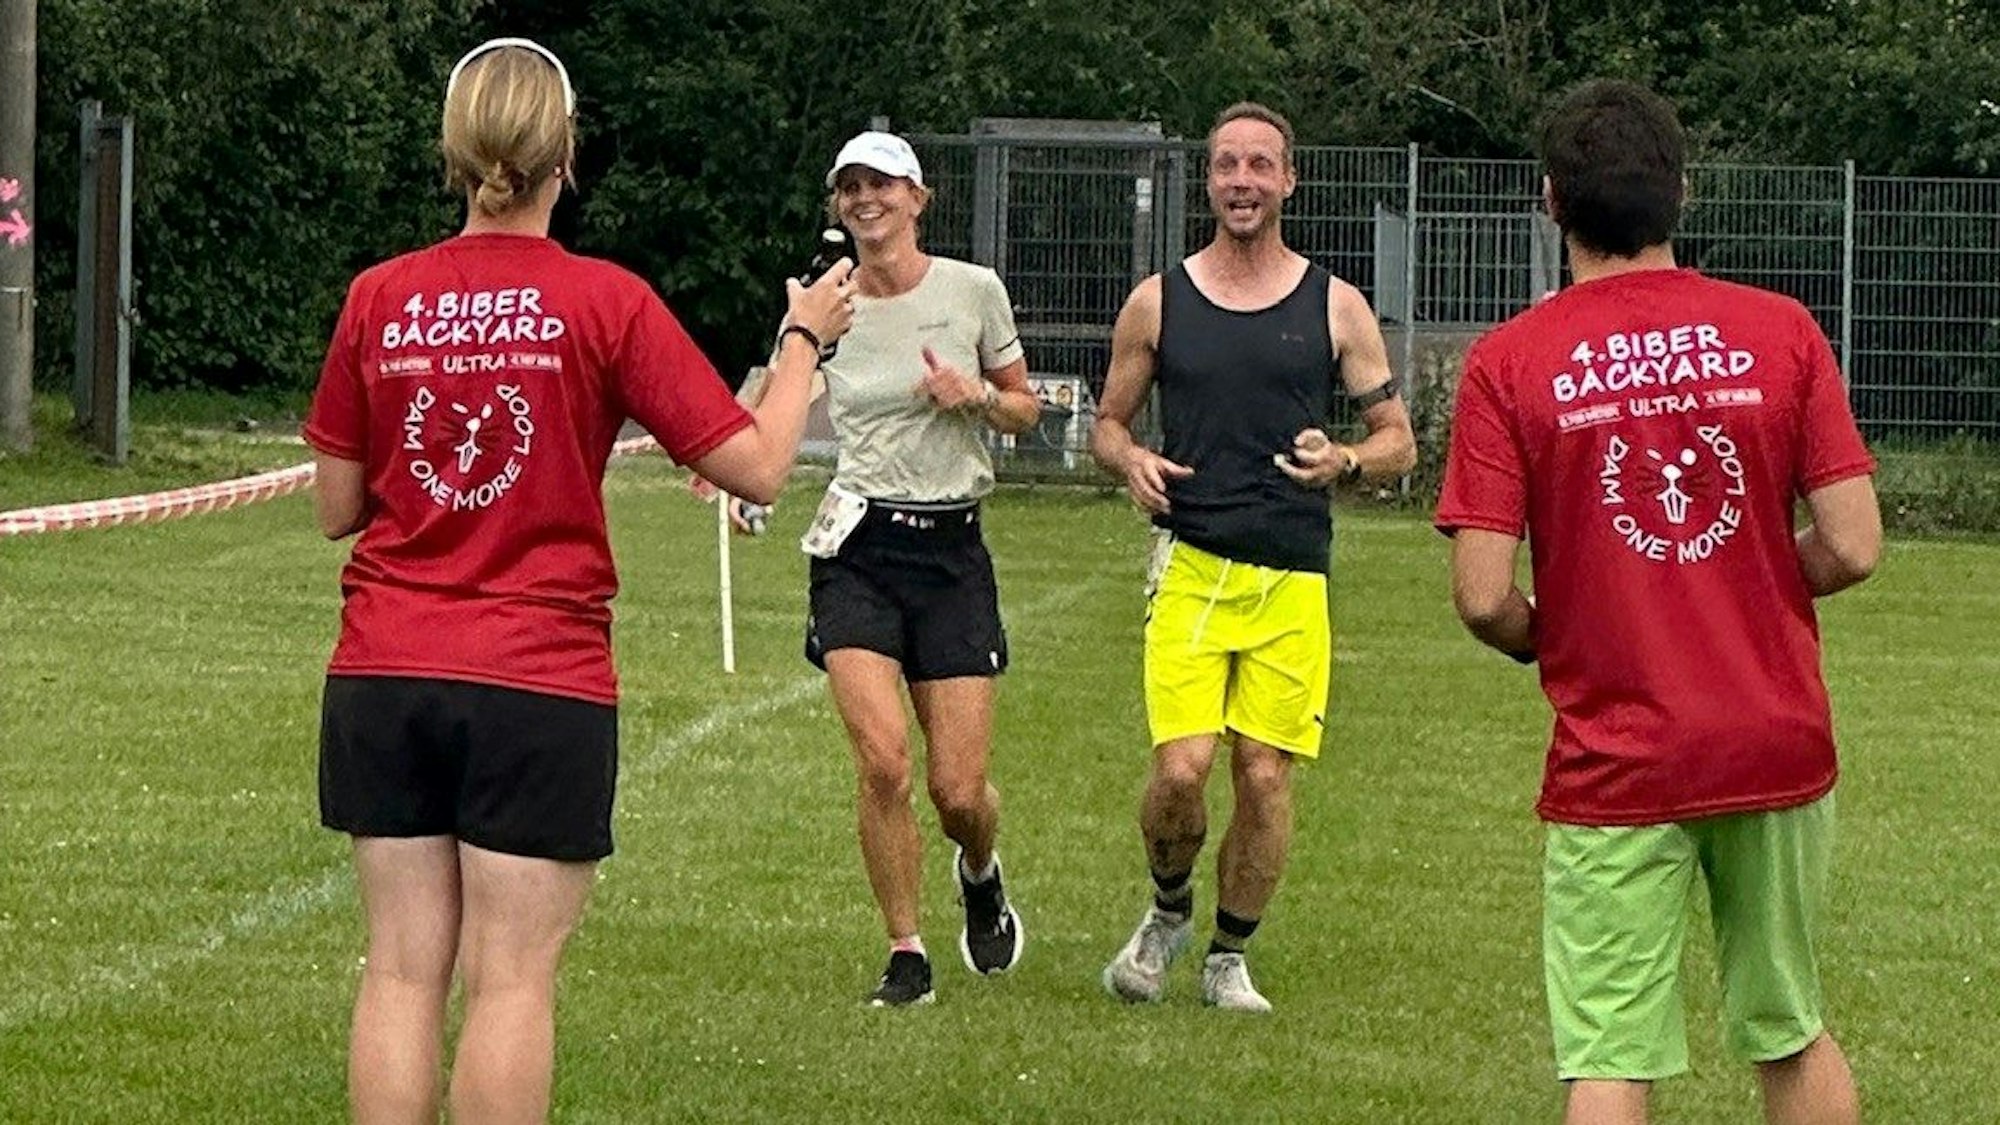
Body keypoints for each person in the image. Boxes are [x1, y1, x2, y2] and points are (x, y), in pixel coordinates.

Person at [302, 38, 852, 1124]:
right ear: (567, 156)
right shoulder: (603, 302)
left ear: (457, 154)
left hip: (383, 671)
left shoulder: (379, 297)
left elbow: (335, 506)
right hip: (537, 680)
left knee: (400, 972)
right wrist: (801, 343)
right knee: (510, 981)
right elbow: (754, 466)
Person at [1436, 79, 1878, 1125]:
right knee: (1788, 1024)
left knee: (1606, 1055)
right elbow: (1854, 546)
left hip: (1618, 748)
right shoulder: (1778, 332)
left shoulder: (1509, 363)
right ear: (1679, 193)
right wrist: (1753, 575)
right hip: (1770, 737)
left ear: (1550, 202)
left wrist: (1564, 632)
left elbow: (1480, 593)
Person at [1090, 102, 1415, 1013]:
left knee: (1265, 775)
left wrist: (1345, 460)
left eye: (1260, 166)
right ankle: (1166, 911)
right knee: (1182, 769)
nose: (1243, 181)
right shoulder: (1159, 299)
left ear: (1288, 181)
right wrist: (1131, 460)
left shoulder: (1335, 304)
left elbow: (1398, 440)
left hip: (1292, 577)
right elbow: (1108, 426)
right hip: (1193, 566)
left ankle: (1229, 954)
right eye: (1228, 165)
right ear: (1209, 181)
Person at [713, 130, 1041, 1007]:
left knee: (958, 789)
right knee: (885, 762)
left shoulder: (972, 291)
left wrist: (972, 395)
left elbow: (1026, 408)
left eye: (883, 186)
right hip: (855, 549)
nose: (867, 200)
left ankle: (980, 869)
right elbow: (768, 408)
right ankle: (907, 949)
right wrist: (742, 487)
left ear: (917, 199)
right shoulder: (825, 305)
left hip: (951, 552)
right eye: (851, 188)